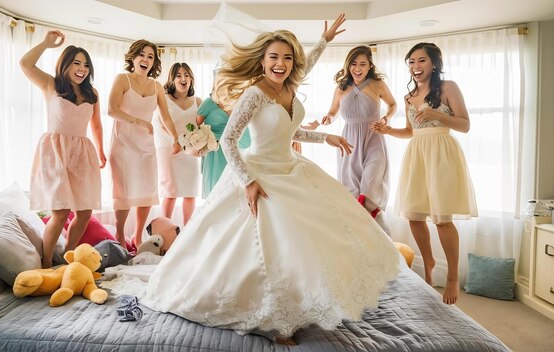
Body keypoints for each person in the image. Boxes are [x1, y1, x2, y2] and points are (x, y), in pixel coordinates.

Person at [141, 14, 400, 345]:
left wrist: (327, 136)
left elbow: (289, 129)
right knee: (271, 243)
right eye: (274, 57)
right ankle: (274, 319)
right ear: (262, 61)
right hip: (259, 173)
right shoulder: (255, 94)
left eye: (287, 57)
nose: (281, 64)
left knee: (311, 240)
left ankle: (303, 302)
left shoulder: (290, 86)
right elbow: (229, 140)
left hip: (290, 167)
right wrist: (248, 181)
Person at [372, 42, 478, 305]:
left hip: (442, 154)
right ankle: (428, 259)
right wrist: (389, 131)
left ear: (433, 64)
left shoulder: (448, 88)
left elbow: (465, 125)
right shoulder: (409, 97)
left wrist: (436, 115)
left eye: (421, 61)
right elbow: (411, 131)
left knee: (442, 219)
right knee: (414, 216)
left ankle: (452, 277)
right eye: (411, 62)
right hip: (417, 153)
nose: (415, 67)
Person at [20, 30, 106, 268]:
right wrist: (46, 43)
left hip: (82, 153)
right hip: (55, 152)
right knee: (60, 212)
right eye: (77, 63)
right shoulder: (51, 84)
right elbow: (25, 63)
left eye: (86, 64)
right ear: (65, 64)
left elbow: (96, 124)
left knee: (85, 211)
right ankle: (46, 263)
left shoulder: (92, 93)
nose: (82, 68)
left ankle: (68, 258)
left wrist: (100, 150)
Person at [108, 39, 182, 249]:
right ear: (133, 57)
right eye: (142, 55)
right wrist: (138, 121)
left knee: (146, 193)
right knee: (124, 192)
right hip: (122, 144)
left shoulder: (156, 86)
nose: (146, 60)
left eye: (151, 57)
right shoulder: (122, 79)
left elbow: (166, 117)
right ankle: (120, 236)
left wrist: (176, 138)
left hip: (146, 147)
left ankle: (137, 236)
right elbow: (112, 109)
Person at [321, 45, 396, 235]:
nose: (357, 68)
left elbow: (393, 104)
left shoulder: (377, 84)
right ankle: (361, 237)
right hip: (349, 142)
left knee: (370, 186)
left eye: (363, 64)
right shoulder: (341, 88)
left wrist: (386, 118)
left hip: (374, 137)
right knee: (352, 190)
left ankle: (384, 241)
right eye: (353, 64)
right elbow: (332, 112)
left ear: (370, 66)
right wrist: (328, 118)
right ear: (348, 65)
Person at [153, 62, 202, 224]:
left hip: (190, 151)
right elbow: (161, 123)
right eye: (178, 75)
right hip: (169, 149)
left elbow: (202, 127)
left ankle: (187, 228)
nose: (183, 79)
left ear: (191, 79)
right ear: (172, 80)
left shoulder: (198, 102)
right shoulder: (164, 99)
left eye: (186, 75)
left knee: (190, 191)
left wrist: (200, 143)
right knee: (170, 191)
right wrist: (177, 141)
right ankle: (165, 227)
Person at [196, 86, 251, 198]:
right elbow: (197, 127)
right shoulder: (209, 103)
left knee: (239, 189)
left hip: (241, 147)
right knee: (219, 191)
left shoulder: (242, 99)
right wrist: (201, 142)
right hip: (217, 150)